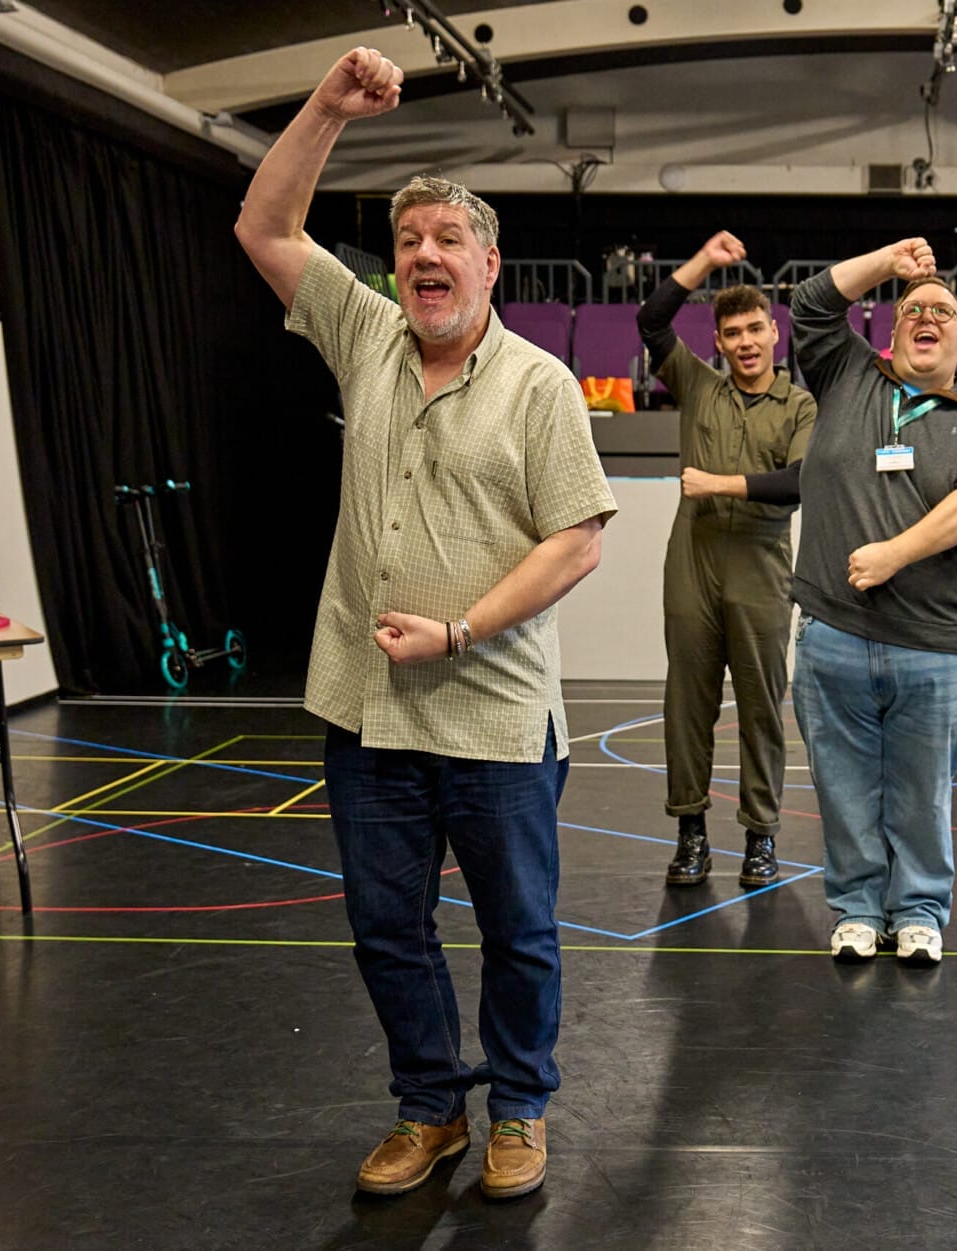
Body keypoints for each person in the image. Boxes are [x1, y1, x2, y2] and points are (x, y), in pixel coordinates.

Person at [234, 48, 617, 1200]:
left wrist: (460, 634)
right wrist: (328, 109)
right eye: (408, 244)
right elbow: (264, 223)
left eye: (449, 241)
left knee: (519, 934)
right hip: (367, 706)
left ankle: (517, 1109)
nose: (424, 258)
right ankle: (427, 1108)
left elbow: (577, 540)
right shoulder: (364, 339)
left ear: (490, 265)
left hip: (493, 713)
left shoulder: (541, 385)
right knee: (385, 930)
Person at [788, 240, 957, 966]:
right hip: (833, 633)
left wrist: (895, 553)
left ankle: (919, 910)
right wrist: (891, 261)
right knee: (844, 789)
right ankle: (858, 909)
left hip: (934, 644)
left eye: (942, 313)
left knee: (922, 796)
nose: (927, 317)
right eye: (913, 309)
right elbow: (812, 302)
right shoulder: (848, 375)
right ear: (889, 333)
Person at [636, 232, 817, 889]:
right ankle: (690, 834)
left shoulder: (801, 403)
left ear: (776, 332)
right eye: (732, 332)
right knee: (687, 705)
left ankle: (761, 838)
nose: (744, 342)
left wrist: (719, 484)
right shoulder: (697, 382)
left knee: (763, 709)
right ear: (717, 341)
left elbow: (800, 480)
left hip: (762, 564)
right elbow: (651, 318)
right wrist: (705, 264)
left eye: (754, 329)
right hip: (693, 561)